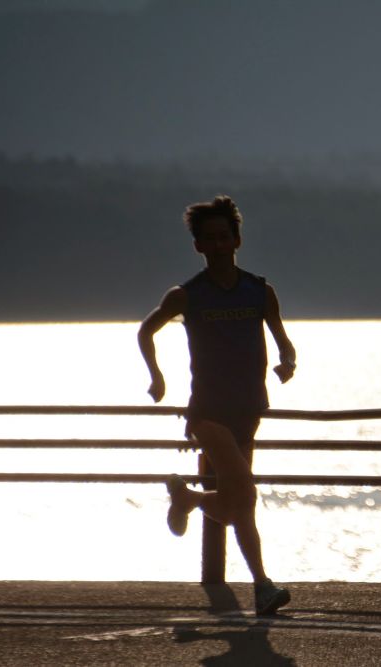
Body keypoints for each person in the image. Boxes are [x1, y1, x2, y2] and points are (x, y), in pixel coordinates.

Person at [138, 195, 296, 615]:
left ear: (237, 239)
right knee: (245, 495)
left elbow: (283, 340)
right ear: (199, 247)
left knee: (232, 503)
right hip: (206, 412)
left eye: (225, 236)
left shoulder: (259, 291)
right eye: (210, 238)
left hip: (249, 409)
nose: (219, 244)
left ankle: (189, 499)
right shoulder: (187, 296)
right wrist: (157, 376)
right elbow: (145, 331)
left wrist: (287, 361)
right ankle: (263, 586)